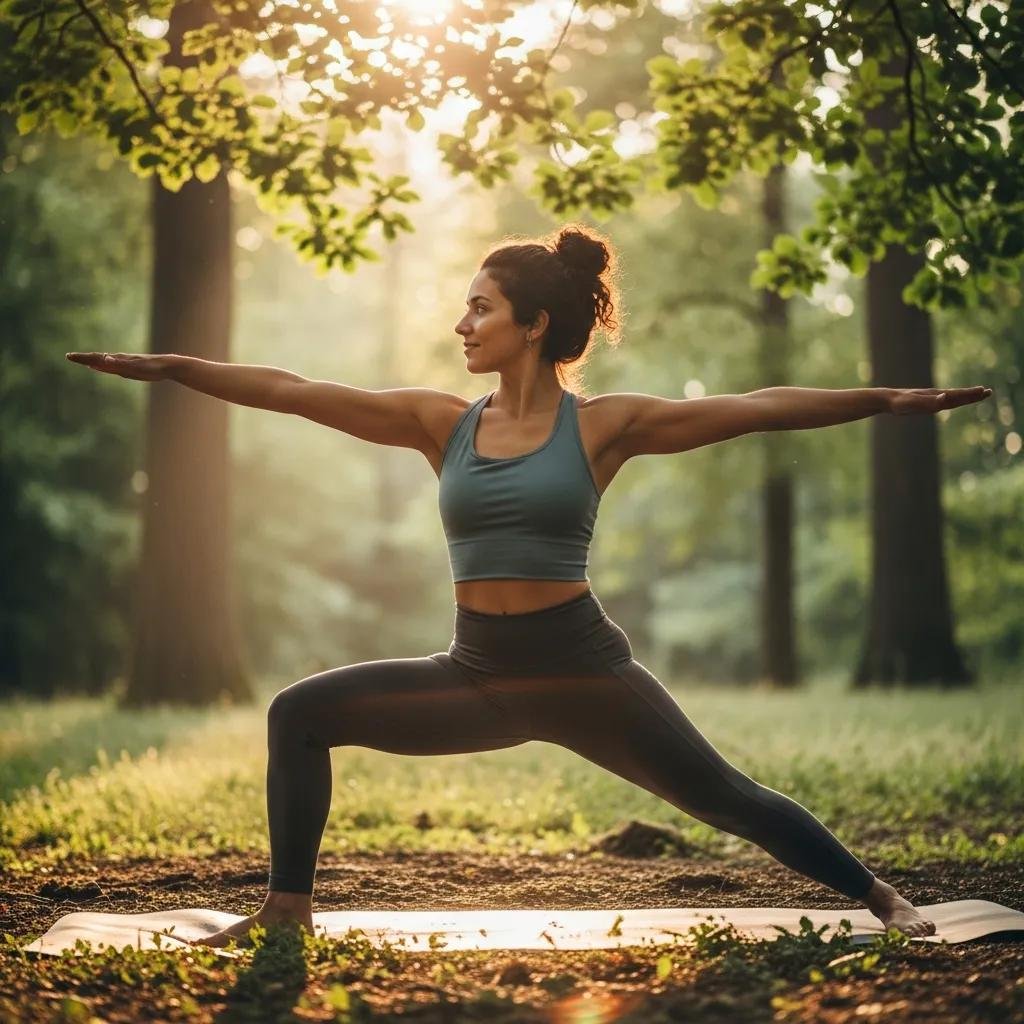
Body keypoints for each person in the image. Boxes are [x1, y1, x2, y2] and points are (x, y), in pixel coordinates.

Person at [68, 223, 992, 949]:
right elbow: (294, 389)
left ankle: (886, 899)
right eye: (463, 309)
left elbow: (754, 411)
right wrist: (172, 369)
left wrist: (893, 401)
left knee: (730, 800)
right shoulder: (441, 424)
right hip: (477, 673)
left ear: (533, 323)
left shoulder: (604, 426)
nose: (462, 325)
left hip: (584, 670)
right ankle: (288, 909)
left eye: (479, 308)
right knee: (298, 713)